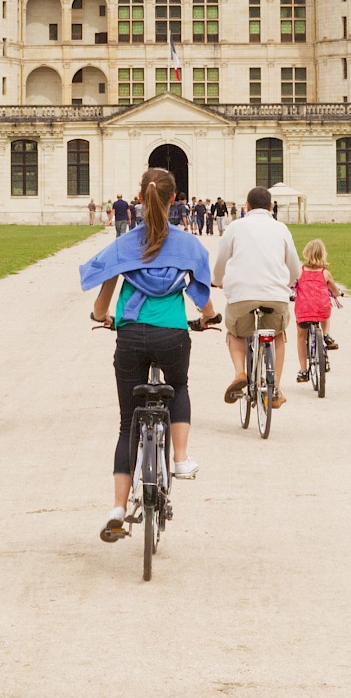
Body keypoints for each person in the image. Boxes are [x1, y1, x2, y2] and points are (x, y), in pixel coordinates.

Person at [81, 166, 217, 542]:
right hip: (172, 334)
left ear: (140, 198)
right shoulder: (188, 245)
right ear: (175, 199)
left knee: (128, 422)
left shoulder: (124, 245)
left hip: (131, 335)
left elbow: (102, 300)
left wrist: (101, 316)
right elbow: (202, 295)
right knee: (179, 386)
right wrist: (210, 317)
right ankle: (181, 459)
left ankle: (118, 508)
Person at [213, 185, 302, 407]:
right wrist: (284, 284)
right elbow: (295, 268)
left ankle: (240, 373)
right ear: (271, 206)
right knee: (278, 334)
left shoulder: (236, 227)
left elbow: (221, 262)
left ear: (247, 206)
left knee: (235, 332)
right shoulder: (281, 228)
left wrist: (218, 280)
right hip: (275, 295)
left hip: (242, 295)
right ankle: (275, 390)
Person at [291, 238, 344, 381]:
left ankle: (303, 371)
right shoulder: (325, 273)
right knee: (325, 310)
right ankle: (326, 335)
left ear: (306, 254)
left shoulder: (300, 272)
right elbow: (335, 291)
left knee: (301, 337)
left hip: (304, 310)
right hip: (321, 309)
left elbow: (292, 286)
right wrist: (339, 293)